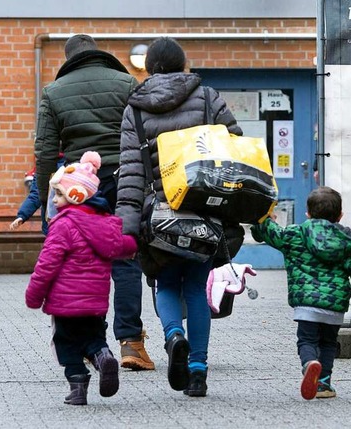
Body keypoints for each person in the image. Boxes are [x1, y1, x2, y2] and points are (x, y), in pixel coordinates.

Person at [115, 37, 242, 397]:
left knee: (166, 283)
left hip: (158, 216)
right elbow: (234, 145)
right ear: (184, 64)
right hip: (204, 210)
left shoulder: (135, 110)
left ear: (149, 67)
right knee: (197, 291)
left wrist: (126, 226)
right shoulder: (207, 97)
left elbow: (130, 173)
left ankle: (174, 337)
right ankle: (198, 371)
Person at [33, 34, 154, 370]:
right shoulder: (126, 82)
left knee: (82, 262)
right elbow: (145, 135)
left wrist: (48, 198)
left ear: (69, 59)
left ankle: (92, 343)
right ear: (99, 55)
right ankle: (131, 343)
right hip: (126, 179)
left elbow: (44, 151)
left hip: (79, 185)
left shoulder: (53, 92)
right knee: (127, 259)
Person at [251, 186, 351, 400]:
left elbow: (270, 233)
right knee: (329, 343)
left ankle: (309, 364)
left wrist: (265, 219)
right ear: (340, 215)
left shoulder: (295, 234)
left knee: (307, 341)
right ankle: (323, 384)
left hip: (306, 305)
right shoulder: (347, 242)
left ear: (308, 214)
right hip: (334, 307)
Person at [25, 151, 138, 406]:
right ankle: (102, 356)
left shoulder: (62, 225)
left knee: (66, 344)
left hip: (64, 305)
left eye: (59, 195)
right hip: (95, 304)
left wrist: (34, 295)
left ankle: (77, 388)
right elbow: (122, 246)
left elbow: (47, 264)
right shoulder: (106, 223)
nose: (54, 200)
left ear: (75, 195)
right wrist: (134, 244)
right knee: (93, 338)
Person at [10, 155, 65, 235]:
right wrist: (22, 215)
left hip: (65, 223)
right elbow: (36, 195)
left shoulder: (72, 164)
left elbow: (35, 195)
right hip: (51, 225)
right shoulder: (43, 166)